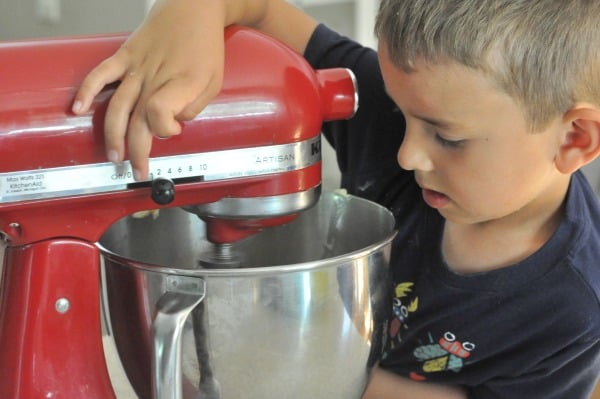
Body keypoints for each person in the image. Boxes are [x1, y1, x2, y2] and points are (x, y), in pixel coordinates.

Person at [73, 0, 600, 397]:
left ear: (574, 139)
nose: (407, 154)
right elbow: (256, 9)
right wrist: (186, 15)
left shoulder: (572, 308)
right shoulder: (396, 113)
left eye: (448, 138)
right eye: (400, 113)